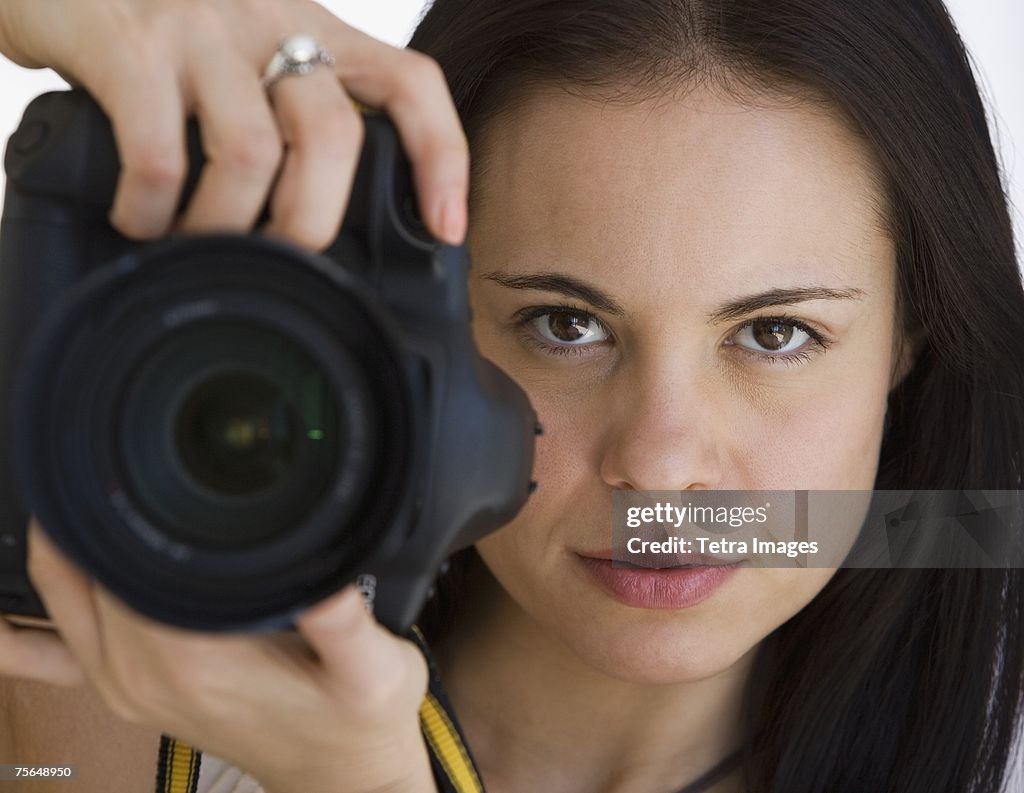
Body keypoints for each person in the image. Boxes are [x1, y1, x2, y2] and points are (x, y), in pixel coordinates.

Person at [1, 1, 1022, 792]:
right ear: (417, 312)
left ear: (907, 341)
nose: (661, 464)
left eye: (774, 334)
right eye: (564, 325)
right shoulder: (133, 660)